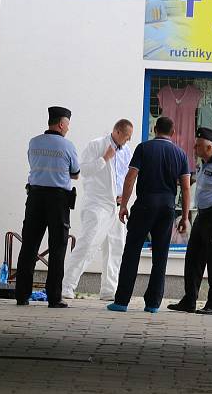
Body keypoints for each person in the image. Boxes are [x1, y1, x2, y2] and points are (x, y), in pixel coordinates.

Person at [107, 116, 192, 313]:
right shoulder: (180, 154)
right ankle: (153, 304)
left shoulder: (143, 148)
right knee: (160, 256)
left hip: (145, 204)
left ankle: (122, 301)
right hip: (167, 208)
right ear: (172, 133)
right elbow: (186, 188)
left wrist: (124, 205)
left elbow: (130, 177)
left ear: (154, 129)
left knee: (131, 252)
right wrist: (185, 217)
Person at [168, 127, 212, 315]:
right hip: (202, 216)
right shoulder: (204, 163)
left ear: (209, 147)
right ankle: (189, 300)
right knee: (193, 258)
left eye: (198, 145)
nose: (194, 148)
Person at [15, 106, 80, 308]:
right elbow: (76, 172)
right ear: (61, 124)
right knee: (58, 247)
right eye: (68, 124)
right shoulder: (68, 146)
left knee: (29, 245)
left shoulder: (34, 143)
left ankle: (22, 295)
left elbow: (33, 165)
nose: (68, 128)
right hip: (58, 201)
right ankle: (54, 297)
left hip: (34, 198)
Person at [62, 120, 134, 300]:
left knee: (116, 247)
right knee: (88, 243)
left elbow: (126, 176)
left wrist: (123, 198)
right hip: (97, 204)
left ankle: (109, 290)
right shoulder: (96, 145)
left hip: (117, 206)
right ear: (117, 132)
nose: (127, 141)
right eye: (126, 137)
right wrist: (104, 159)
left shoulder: (126, 151)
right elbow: (83, 170)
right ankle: (66, 286)